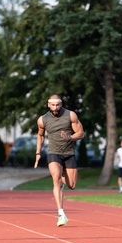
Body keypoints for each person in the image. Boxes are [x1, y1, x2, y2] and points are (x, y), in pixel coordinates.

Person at [34, 95, 84, 227]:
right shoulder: (42, 120)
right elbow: (40, 136)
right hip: (53, 153)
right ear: (48, 105)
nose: (55, 108)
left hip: (69, 153)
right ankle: (61, 214)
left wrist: (69, 137)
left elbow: (81, 133)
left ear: (61, 104)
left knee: (72, 185)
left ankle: (61, 180)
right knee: (55, 177)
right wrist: (38, 153)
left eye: (57, 105)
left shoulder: (70, 115)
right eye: (53, 105)